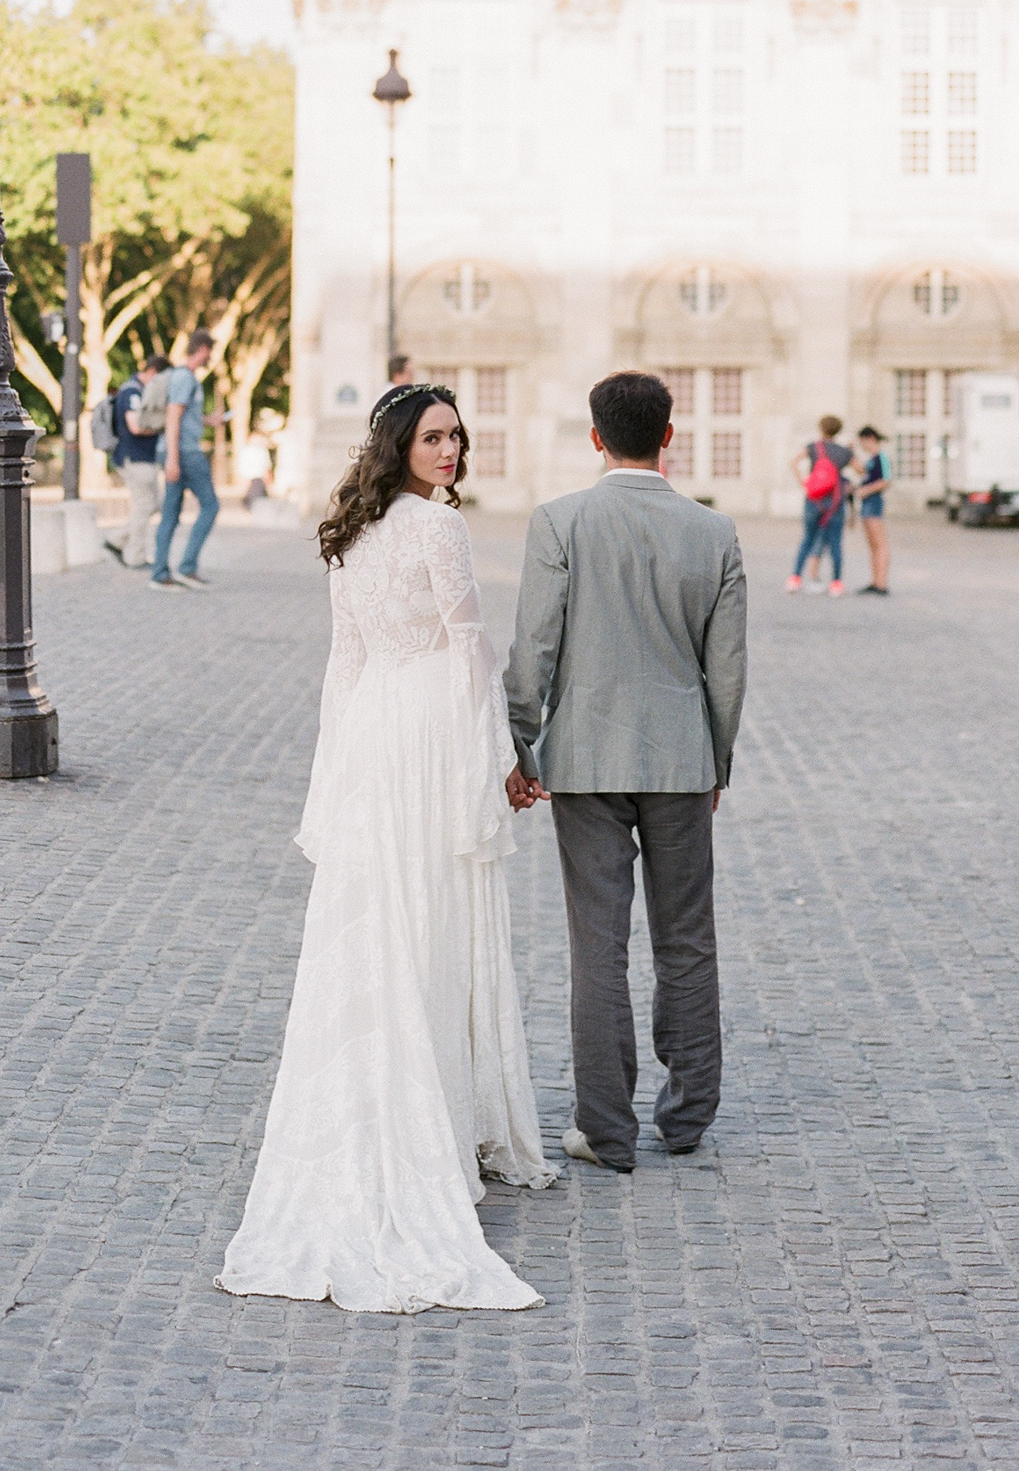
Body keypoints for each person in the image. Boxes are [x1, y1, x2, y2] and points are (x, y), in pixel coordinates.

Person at [216, 381, 553, 1313]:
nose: (450, 451)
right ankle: (422, 1129)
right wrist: (502, 764)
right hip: (425, 739)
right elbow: (473, 647)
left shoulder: (351, 530)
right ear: (400, 441)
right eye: (435, 436)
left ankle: (415, 1109)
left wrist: (336, 773)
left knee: (381, 926)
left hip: (374, 737)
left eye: (457, 436)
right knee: (423, 925)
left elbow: (347, 664)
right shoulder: (438, 528)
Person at [502, 369, 747, 1173]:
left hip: (585, 760)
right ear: (670, 436)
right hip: (680, 757)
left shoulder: (561, 521)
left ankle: (604, 1127)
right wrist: (717, 758)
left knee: (597, 943)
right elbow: (728, 668)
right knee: (687, 938)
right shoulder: (713, 533)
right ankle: (687, 1117)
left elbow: (535, 646)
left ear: (596, 436)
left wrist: (521, 744)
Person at [150, 330, 220, 592]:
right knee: (210, 506)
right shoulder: (184, 378)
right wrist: (172, 460)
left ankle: (161, 572)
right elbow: (173, 417)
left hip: (179, 451)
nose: (210, 358)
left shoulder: (185, 378)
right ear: (201, 349)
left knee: (171, 512)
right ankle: (185, 567)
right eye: (209, 352)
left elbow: (184, 416)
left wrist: (208, 420)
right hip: (184, 453)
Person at [108, 352, 171, 569]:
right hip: (135, 457)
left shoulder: (136, 390)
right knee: (146, 504)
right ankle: (134, 555)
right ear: (153, 373)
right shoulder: (133, 392)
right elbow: (135, 426)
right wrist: (164, 424)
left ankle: (117, 539)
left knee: (149, 505)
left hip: (139, 457)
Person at [786, 415, 852, 597]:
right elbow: (861, 469)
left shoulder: (813, 447)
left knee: (807, 539)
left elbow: (793, 462)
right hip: (835, 502)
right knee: (835, 543)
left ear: (821, 428)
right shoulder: (844, 452)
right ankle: (836, 583)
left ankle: (795, 579)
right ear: (838, 431)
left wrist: (803, 482)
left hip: (813, 500)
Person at [854, 425, 891, 594]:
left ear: (870, 439)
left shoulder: (882, 457)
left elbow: (886, 481)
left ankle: (881, 583)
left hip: (874, 502)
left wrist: (865, 490)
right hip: (867, 503)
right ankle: (875, 580)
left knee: (880, 544)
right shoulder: (872, 459)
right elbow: (864, 473)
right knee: (872, 544)